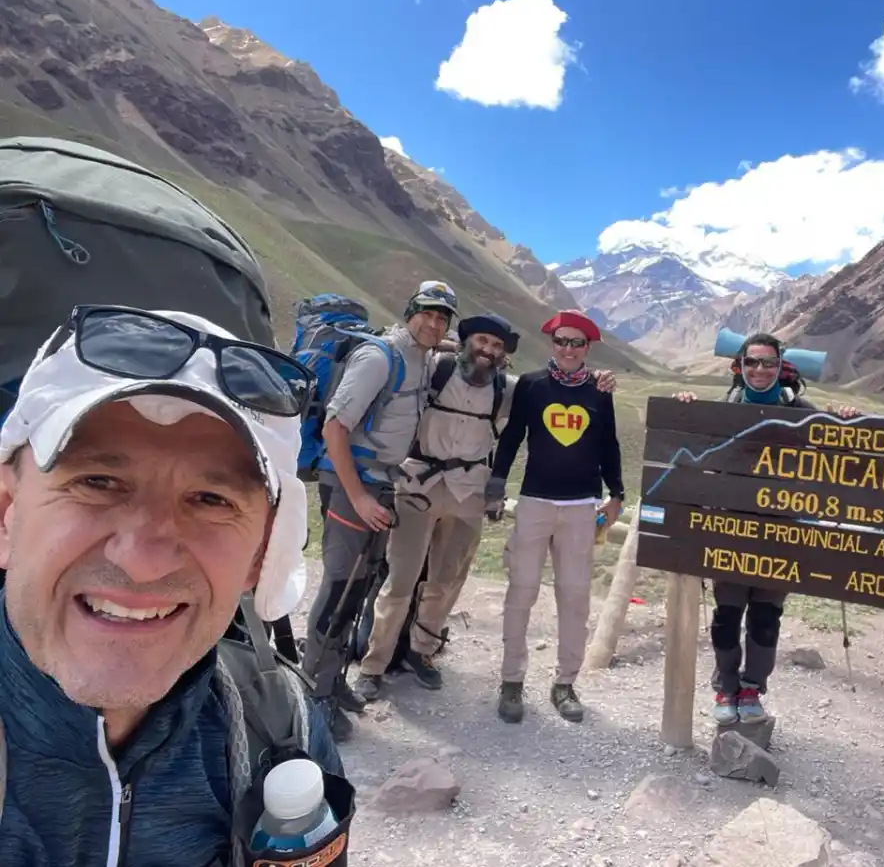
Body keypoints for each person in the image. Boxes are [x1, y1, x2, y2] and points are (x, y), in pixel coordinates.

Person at [0, 305, 343, 864]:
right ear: (7, 513)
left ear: (260, 556)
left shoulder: (282, 729)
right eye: (99, 482)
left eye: (211, 501)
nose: (142, 562)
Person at [354, 314, 618, 699]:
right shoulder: (434, 370)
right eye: (482, 341)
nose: (488, 350)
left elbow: (553, 392)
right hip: (419, 485)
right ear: (465, 342)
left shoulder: (508, 387)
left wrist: (601, 379)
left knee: (447, 580)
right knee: (401, 580)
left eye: (497, 346)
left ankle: (421, 652)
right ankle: (373, 665)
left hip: (468, 491)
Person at [675, 331, 860, 725]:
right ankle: (726, 685)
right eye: (753, 362)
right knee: (726, 614)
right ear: (740, 367)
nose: (760, 370)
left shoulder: (805, 413)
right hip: (730, 529)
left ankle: (752, 687)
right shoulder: (722, 410)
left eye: (768, 363)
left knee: (765, 616)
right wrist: (684, 410)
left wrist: (844, 422)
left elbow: (838, 458)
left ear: (781, 368)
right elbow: (688, 447)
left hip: (781, 534)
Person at [304, 280, 456, 740]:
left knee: (363, 582)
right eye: (426, 313)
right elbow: (335, 429)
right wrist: (360, 496)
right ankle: (315, 696)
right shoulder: (378, 358)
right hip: (353, 485)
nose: (433, 323)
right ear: (410, 311)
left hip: (380, 484)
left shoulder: (420, 356)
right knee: (338, 588)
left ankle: (332, 683)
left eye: (442, 317)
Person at [486, 310, 624, 724]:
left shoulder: (601, 390)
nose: (567, 349)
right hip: (534, 502)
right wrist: (496, 485)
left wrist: (617, 494)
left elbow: (609, 445)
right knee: (521, 591)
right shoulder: (531, 385)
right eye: (561, 341)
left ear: (587, 348)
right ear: (552, 344)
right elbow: (511, 438)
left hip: (582, 507)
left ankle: (565, 682)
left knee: (575, 597)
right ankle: (511, 680)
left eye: (576, 343)